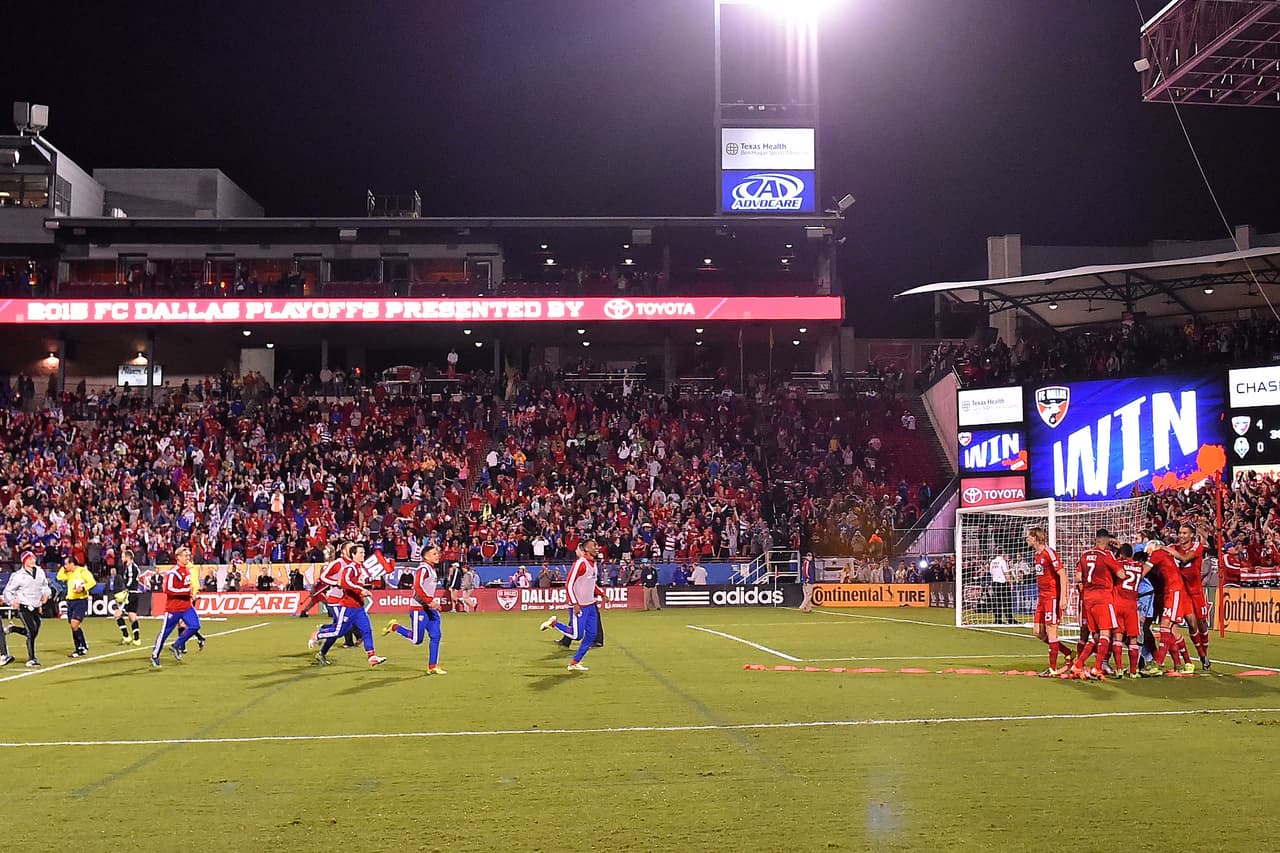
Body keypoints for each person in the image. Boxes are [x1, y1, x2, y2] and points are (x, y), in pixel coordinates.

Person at [312, 543, 386, 667]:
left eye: (363, 552)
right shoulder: (341, 563)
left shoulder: (359, 567)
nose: (363, 555)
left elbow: (357, 582)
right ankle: (320, 635)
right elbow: (325, 577)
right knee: (339, 630)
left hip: (356, 604)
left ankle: (371, 656)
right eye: (360, 552)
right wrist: (336, 582)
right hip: (337, 601)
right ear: (347, 551)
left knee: (364, 630)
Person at [539, 538, 603, 672]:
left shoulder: (594, 564)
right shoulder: (581, 563)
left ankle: (574, 662)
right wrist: (574, 603)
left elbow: (591, 583)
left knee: (591, 635)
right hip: (579, 605)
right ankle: (554, 623)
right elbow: (569, 584)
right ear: (586, 549)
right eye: (593, 546)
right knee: (576, 635)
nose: (597, 548)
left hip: (590, 605)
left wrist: (601, 593)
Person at [383, 543, 446, 674]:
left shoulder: (431, 569)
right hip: (419, 608)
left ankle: (432, 666)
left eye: (437, 553)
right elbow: (417, 586)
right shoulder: (423, 569)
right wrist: (430, 601)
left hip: (430, 610)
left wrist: (432, 603)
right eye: (434, 554)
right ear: (426, 556)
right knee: (417, 640)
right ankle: (395, 627)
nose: (437, 556)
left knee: (436, 636)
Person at [1069, 529, 1121, 680]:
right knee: (1106, 634)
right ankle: (1097, 668)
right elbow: (1121, 574)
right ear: (1106, 542)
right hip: (1103, 597)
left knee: (1095, 635)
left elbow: (1078, 577)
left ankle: (1078, 665)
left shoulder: (1084, 555)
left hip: (1088, 599)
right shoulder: (1107, 555)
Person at [1026, 527, 1072, 676]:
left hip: (1052, 597)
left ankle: (1052, 669)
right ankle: (1068, 652)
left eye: (1029, 536)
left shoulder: (1049, 553)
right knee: (1038, 632)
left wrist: (1063, 597)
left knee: (1051, 631)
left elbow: (1062, 574)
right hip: (1042, 597)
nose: (1026, 539)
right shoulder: (1036, 555)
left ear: (1035, 538)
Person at [1166, 523, 1212, 670]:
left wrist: (1170, 551)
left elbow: (1185, 559)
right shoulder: (1174, 547)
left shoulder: (1197, 547)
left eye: (1185, 533)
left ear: (1192, 535)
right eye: (1180, 532)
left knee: (1202, 623)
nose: (1181, 535)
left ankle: (1205, 652)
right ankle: (1202, 656)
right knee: (1192, 623)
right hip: (1183, 592)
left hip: (1197, 591)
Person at [1146, 540, 1194, 674]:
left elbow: (1144, 570)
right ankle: (1185, 663)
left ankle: (1158, 663)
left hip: (1174, 591)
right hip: (1170, 591)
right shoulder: (1164, 554)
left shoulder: (1158, 553)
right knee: (1173, 630)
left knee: (1165, 626)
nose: (1147, 551)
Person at [151, 547, 202, 668]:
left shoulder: (188, 571)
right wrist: (186, 592)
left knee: (195, 626)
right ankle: (155, 655)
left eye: (188, 556)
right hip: (173, 608)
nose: (187, 558)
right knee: (165, 633)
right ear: (178, 557)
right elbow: (168, 589)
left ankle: (176, 645)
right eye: (185, 556)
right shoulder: (173, 572)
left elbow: (187, 587)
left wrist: (191, 594)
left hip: (186, 606)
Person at [3, 551, 49, 666]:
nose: (32, 561)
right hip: (24, 606)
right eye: (29, 559)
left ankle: (13, 629)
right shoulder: (18, 576)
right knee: (31, 631)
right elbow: (8, 591)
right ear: (24, 561)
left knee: (33, 631)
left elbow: (44, 585)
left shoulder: (39, 571)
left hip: (36, 605)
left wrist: (46, 594)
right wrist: (12, 601)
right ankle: (31, 658)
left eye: (33, 558)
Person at [1111, 543, 1148, 679]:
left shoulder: (1118, 563)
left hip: (1118, 603)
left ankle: (1119, 669)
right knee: (1133, 639)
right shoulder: (1139, 566)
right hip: (1132, 604)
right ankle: (1133, 671)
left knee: (1118, 637)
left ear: (1120, 554)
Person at [57, 555, 96, 658]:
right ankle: (81, 646)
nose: (65, 566)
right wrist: (63, 568)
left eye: (66, 564)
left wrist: (83, 588)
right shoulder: (69, 573)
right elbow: (59, 577)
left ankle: (80, 647)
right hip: (70, 601)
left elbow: (92, 582)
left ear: (72, 564)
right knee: (73, 626)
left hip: (80, 600)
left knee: (74, 624)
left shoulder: (82, 571)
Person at [112, 548, 144, 646]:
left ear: (128, 557)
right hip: (135, 593)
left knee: (117, 614)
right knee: (132, 616)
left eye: (123, 557)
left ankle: (126, 637)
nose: (121, 559)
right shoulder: (134, 567)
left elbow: (131, 580)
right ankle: (137, 639)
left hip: (130, 593)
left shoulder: (130, 567)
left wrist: (126, 589)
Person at [988, 552, 1013, 624]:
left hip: (995, 583)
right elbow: (1006, 573)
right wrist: (1010, 583)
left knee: (997, 602)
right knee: (1007, 602)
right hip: (1003, 583)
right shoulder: (1002, 561)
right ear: (1002, 554)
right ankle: (1010, 619)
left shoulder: (992, 562)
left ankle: (997, 619)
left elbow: (991, 572)